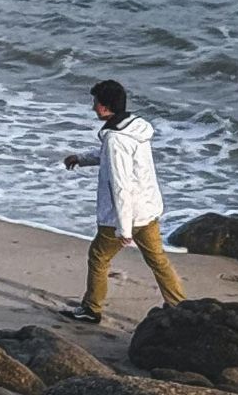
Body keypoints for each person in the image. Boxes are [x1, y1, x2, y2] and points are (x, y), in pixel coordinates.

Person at [57, 79, 186, 324]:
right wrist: (81, 159)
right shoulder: (134, 128)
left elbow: (121, 186)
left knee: (98, 256)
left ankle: (91, 309)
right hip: (147, 209)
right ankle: (179, 305)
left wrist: (124, 229)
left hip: (122, 215)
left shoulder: (116, 140)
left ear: (105, 108)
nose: (93, 107)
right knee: (158, 260)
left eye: (95, 103)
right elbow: (111, 157)